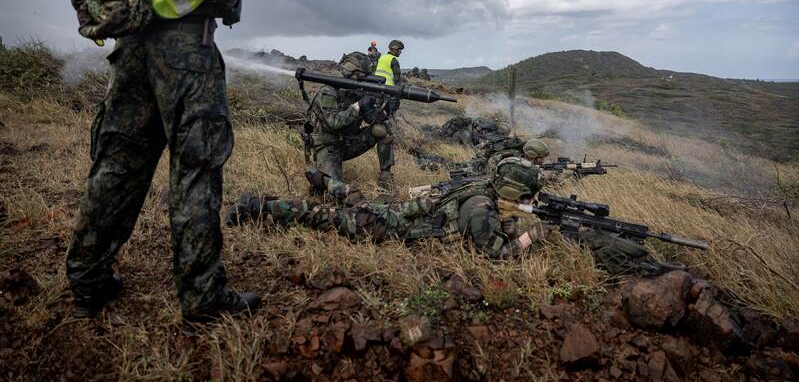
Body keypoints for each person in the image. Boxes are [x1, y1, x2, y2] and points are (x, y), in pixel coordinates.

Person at [65, 0, 259, 322]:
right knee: (196, 168)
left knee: (117, 165)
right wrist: (230, 5)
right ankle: (203, 297)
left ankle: (87, 280)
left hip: (130, 54)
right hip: (186, 54)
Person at [225, 159, 682, 276]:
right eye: (524, 195)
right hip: (390, 227)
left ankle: (327, 178)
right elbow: (498, 255)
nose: (527, 201)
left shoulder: (484, 190)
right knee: (326, 218)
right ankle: (257, 207)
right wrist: (533, 237)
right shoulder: (479, 208)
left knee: (355, 198)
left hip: (399, 210)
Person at [305, 52, 396, 196]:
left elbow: (373, 119)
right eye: (359, 74)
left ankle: (385, 177)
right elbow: (333, 122)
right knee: (332, 192)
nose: (362, 78)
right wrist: (358, 105)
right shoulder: (328, 91)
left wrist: (385, 107)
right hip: (328, 147)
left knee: (382, 130)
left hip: (347, 143)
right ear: (350, 71)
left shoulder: (358, 91)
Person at [373, 40, 404, 116]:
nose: (400, 52)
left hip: (377, 88)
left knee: (376, 112)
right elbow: (397, 79)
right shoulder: (393, 60)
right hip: (389, 90)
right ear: (395, 49)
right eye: (400, 50)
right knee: (390, 115)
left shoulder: (381, 57)